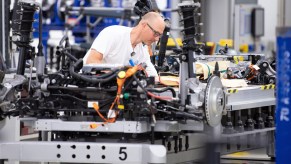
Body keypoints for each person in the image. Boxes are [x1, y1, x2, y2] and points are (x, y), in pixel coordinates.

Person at [83, 12, 165, 77]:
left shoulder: (142, 50)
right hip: (88, 87)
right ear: (144, 25)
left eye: (159, 36)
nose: (156, 39)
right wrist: (122, 74)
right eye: (156, 33)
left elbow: (153, 77)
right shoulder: (113, 33)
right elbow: (91, 62)